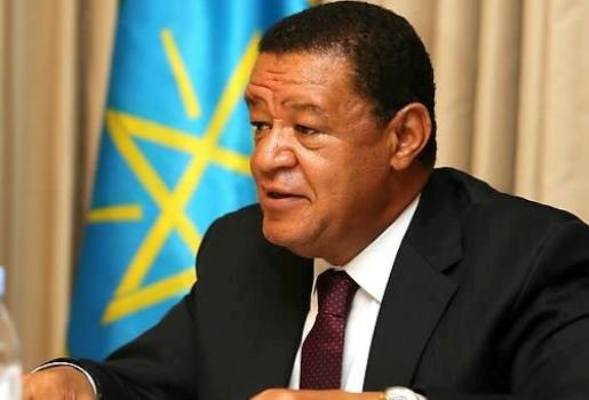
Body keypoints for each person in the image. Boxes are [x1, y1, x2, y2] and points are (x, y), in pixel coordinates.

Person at [24, 2, 589, 399]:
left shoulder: (528, 259)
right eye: (260, 125)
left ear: (404, 137)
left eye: (307, 130)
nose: (266, 158)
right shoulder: (241, 249)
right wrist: (75, 382)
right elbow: (147, 383)